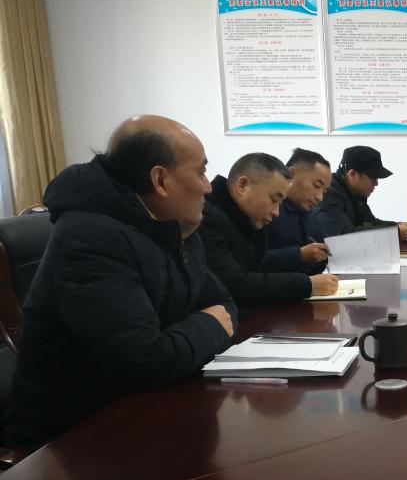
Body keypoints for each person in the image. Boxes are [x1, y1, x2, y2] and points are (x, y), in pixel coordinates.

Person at [4, 115, 236, 451]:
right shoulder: (89, 238)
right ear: (160, 180)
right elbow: (142, 362)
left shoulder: (176, 226)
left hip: (147, 410)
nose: (208, 187)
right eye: (201, 172)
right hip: (71, 444)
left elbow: (225, 304)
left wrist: (204, 324)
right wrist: (210, 325)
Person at [200, 153, 339, 308]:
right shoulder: (207, 218)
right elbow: (233, 284)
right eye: (273, 200)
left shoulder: (250, 219)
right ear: (243, 185)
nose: (276, 212)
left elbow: (257, 268)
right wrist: (307, 283)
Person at [313, 145, 407, 239]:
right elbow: (342, 235)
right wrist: (395, 232)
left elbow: (369, 223)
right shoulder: (328, 194)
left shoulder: (355, 193)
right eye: (373, 177)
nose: (376, 183)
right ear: (352, 174)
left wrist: (396, 225)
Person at [265, 148, 332, 275]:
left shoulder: (308, 215)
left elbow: (328, 243)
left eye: (324, 191)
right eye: (317, 185)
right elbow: (249, 261)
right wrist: (298, 255)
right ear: (291, 174)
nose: (320, 197)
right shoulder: (265, 209)